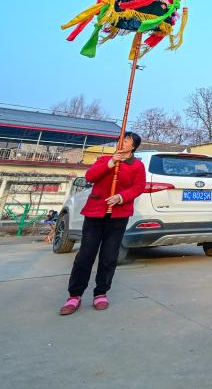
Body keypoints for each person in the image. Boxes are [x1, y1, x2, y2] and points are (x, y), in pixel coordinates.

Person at [60, 131, 147, 315]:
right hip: (95, 213)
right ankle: (74, 295)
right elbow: (90, 176)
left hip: (118, 215)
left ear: (133, 146)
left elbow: (139, 187)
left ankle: (101, 292)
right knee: (85, 254)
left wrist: (121, 197)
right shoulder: (105, 160)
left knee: (109, 256)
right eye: (120, 140)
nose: (122, 143)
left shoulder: (137, 165)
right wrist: (111, 162)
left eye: (126, 141)